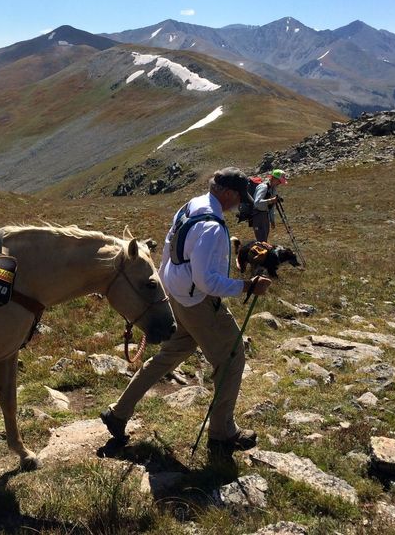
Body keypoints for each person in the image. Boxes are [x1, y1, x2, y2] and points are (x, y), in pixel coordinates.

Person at [100, 167, 272, 455]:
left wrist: (170, 288)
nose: (239, 203)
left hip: (177, 296)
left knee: (169, 355)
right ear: (228, 193)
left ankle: (118, 412)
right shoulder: (213, 226)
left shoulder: (191, 205)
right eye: (239, 196)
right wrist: (247, 287)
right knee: (231, 358)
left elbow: (169, 250)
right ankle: (222, 433)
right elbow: (207, 281)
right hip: (198, 303)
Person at [251, 168, 288, 243]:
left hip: (265, 215)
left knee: (264, 240)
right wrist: (271, 200)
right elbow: (257, 203)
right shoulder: (263, 187)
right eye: (279, 181)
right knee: (262, 241)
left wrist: (272, 220)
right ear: (273, 178)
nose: (279, 183)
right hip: (257, 215)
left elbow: (271, 207)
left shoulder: (273, 189)